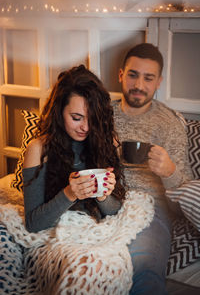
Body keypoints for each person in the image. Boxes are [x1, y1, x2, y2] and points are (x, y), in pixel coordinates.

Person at [22, 64, 128, 293]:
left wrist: (104, 196)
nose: (86, 128)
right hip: (53, 238)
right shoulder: (39, 150)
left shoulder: (103, 142)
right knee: (82, 269)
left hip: (93, 233)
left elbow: (113, 211)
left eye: (92, 119)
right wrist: (70, 194)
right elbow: (33, 223)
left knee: (107, 267)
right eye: (77, 118)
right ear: (60, 111)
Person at [112, 43, 194, 295]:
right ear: (121, 75)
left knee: (144, 267)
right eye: (133, 75)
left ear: (158, 82)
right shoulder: (100, 115)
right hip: (104, 198)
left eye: (148, 78)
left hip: (151, 208)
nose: (139, 85)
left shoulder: (170, 123)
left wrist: (169, 172)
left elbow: (184, 199)